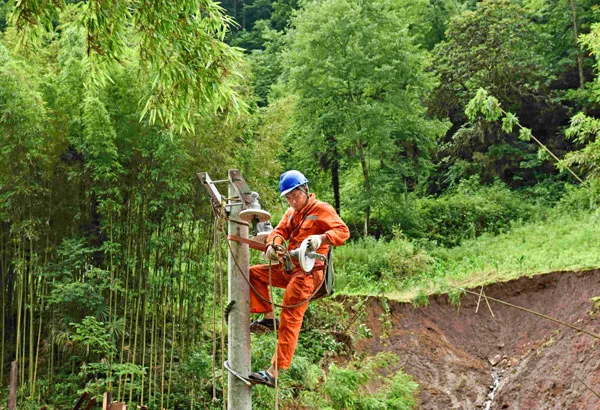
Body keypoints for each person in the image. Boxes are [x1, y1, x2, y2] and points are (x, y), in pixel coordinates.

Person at [247, 170, 350, 387]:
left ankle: (273, 372)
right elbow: (278, 231)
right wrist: (274, 245)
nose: (292, 201)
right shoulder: (291, 213)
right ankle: (267, 316)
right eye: (288, 197)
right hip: (289, 268)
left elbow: (343, 231)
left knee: (290, 316)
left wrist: (321, 238)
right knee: (254, 273)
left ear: (305, 190)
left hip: (308, 274)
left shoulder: (321, 210)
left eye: (295, 195)